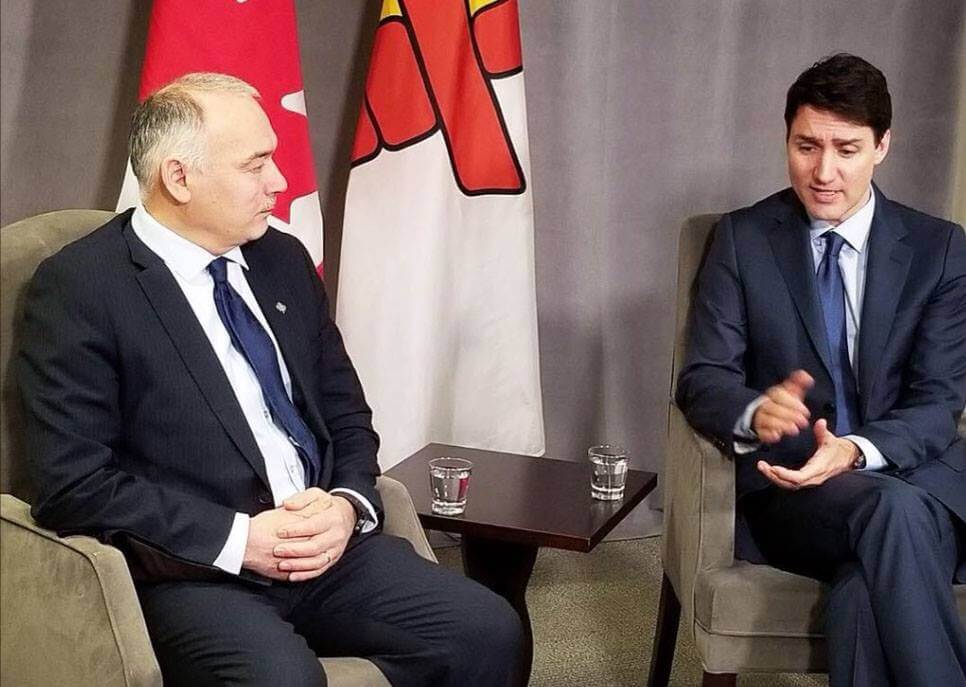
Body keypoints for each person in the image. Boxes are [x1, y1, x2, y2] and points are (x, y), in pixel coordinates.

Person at [17, 72, 524, 687]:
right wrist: (242, 539)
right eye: (255, 164)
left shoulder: (281, 259)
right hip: (194, 572)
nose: (279, 183)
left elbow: (346, 416)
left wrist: (347, 506)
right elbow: (72, 484)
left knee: (488, 629)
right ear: (179, 177)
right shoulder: (82, 289)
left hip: (329, 550)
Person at [676, 53, 966, 686]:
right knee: (892, 518)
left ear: (882, 146)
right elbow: (703, 377)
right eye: (806, 146)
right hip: (796, 491)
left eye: (846, 149)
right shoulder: (742, 240)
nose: (824, 172)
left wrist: (858, 451)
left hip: (917, 478)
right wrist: (756, 411)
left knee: (866, 588)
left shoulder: (939, 249)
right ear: (786, 138)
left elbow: (939, 401)